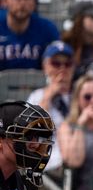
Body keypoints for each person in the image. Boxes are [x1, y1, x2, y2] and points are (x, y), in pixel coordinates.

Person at [26, 41, 75, 172]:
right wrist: (49, 94)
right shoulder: (37, 96)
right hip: (46, 163)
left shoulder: (83, 95)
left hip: (76, 159)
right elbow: (31, 132)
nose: (62, 69)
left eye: (67, 64)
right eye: (56, 63)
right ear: (45, 66)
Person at [0, 0, 59, 71]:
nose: (22, 3)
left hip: (38, 85)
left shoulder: (48, 29)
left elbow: (58, 66)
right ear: (4, 1)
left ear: (34, 2)